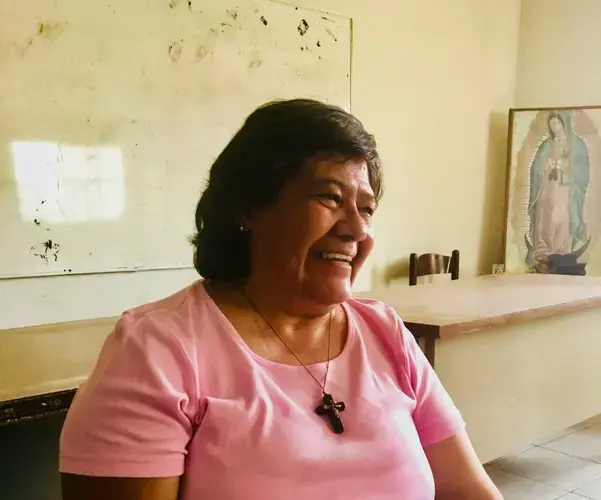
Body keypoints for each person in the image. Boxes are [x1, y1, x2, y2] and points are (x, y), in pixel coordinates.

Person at [60, 99, 502, 499]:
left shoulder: (385, 332)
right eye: (330, 197)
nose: (357, 229)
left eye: (366, 208)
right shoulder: (159, 350)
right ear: (247, 208)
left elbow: (469, 492)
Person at [526, 111, 590, 272]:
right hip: (546, 187)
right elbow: (535, 168)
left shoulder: (576, 144)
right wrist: (546, 165)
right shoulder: (546, 145)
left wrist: (562, 165)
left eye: (557, 124)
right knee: (544, 216)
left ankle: (561, 252)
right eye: (552, 125)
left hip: (564, 187)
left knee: (560, 216)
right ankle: (543, 251)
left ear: (564, 124)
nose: (555, 127)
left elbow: (581, 169)